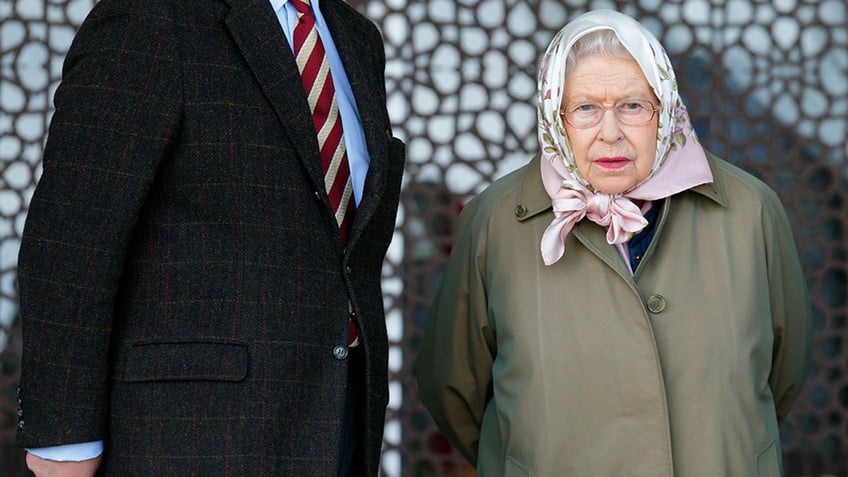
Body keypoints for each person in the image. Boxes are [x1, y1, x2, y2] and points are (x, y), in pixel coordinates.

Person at [415, 9, 811, 477]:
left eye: (633, 106)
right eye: (585, 108)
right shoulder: (495, 222)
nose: (610, 132)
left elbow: (783, 373)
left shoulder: (750, 212)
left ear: (664, 109)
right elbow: (453, 388)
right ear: (555, 116)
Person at [16, 0, 405, 475]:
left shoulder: (357, 36)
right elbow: (71, 240)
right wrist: (64, 443)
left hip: (339, 421)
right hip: (192, 434)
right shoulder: (151, 17)